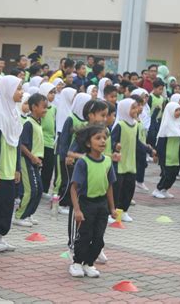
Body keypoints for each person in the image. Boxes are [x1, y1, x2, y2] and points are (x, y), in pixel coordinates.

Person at [68, 125, 117, 278]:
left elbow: (109, 186)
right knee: (84, 236)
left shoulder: (108, 161)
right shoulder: (83, 162)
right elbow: (74, 188)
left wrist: (112, 208)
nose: (102, 141)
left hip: (101, 205)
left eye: (104, 138)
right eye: (98, 138)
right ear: (88, 143)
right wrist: (77, 210)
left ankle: (89, 263)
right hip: (86, 203)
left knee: (98, 238)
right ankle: (76, 263)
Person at [0, 76, 23, 251]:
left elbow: (16, 144)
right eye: (18, 89)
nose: (21, 93)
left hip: (10, 169)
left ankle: (0, 236)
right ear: (8, 91)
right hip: (0, 169)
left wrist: (17, 168)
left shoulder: (15, 114)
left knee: (7, 205)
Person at [14, 94, 47, 226]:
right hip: (27, 161)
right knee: (30, 190)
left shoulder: (38, 123)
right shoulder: (28, 123)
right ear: (34, 107)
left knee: (39, 189)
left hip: (35, 162)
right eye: (44, 107)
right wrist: (32, 157)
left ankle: (29, 213)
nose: (46, 110)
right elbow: (22, 145)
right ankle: (19, 215)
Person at [153, 102, 180, 199]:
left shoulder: (179, 123)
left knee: (174, 173)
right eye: (176, 110)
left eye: (179, 110)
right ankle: (158, 189)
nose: (178, 112)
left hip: (176, 154)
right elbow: (160, 141)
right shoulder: (166, 125)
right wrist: (157, 155)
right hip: (166, 155)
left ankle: (165, 189)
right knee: (166, 174)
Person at [38, 83, 57, 200]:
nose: (53, 95)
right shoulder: (40, 108)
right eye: (51, 92)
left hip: (50, 142)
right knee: (39, 166)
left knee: (48, 167)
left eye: (54, 93)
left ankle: (44, 189)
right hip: (41, 141)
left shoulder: (54, 108)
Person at [146, 78, 166, 148]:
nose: (161, 91)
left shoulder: (162, 98)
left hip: (158, 121)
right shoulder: (150, 97)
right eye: (159, 89)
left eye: (162, 89)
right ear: (154, 88)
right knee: (151, 136)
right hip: (150, 120)